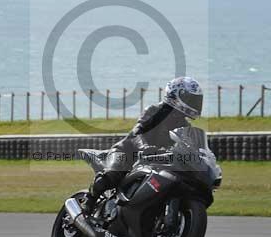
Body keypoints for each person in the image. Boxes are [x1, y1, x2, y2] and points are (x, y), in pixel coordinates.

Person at [84, 76, 203, 213]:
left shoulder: (184, 125)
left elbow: (188, 145)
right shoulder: (154, 111)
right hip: (127, 152)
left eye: (196, 100)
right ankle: (89, 200)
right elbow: (137, 133)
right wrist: (144, 147)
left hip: (154, 160)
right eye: (191, 99)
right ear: (176, 96)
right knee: (112, 175)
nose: (195, 103)